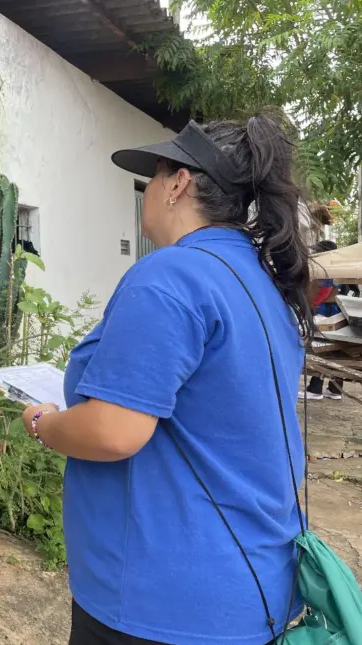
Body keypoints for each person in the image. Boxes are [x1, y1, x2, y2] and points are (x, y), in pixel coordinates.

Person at [22, 117, 310, 644]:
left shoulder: (170, 275)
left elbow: (113, 432)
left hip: (163, 601)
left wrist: (45, 423)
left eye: (154, 176)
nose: (147, 191)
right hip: (253, 585)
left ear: (178, 183)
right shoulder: (262, 281)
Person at [300, 239, 344, 401]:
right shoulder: (339, 267)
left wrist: (308, 306)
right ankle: (335, 390)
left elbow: (322, 293)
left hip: (325, 315)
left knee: (320, 349)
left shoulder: (326, 269)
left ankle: (315, 389)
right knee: (336, 351)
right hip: (338, 315)